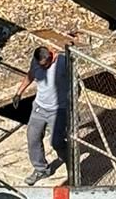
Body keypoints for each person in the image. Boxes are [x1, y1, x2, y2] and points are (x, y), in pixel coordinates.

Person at [16, 39, 73, 184]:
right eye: (40, 65)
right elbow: (30, 75)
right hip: (39, 107)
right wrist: (19, 93)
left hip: (57, 110)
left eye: (45, 65)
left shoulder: (62, 62)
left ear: (51, 57)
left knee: (56, 142)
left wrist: (71, 103)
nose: (43, 68)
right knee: (33, 137)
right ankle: (41, 169)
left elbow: (75, 79)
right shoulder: (36, 63)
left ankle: (72, 166)